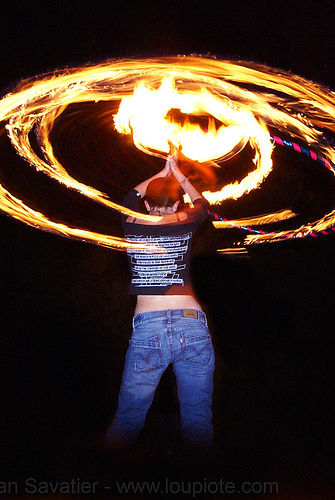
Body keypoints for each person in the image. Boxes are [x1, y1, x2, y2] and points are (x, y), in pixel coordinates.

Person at [106, 145, 215, 450]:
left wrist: (161, 172)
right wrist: (177, 172)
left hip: (148, 328)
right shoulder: (186, 221)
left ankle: (98, 483)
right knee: (197, 419)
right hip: (191, 326)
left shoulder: (131, 223)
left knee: (128, 418)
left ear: (147, 206)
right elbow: (200, 204)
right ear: (177, 203)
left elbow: (129, 198)